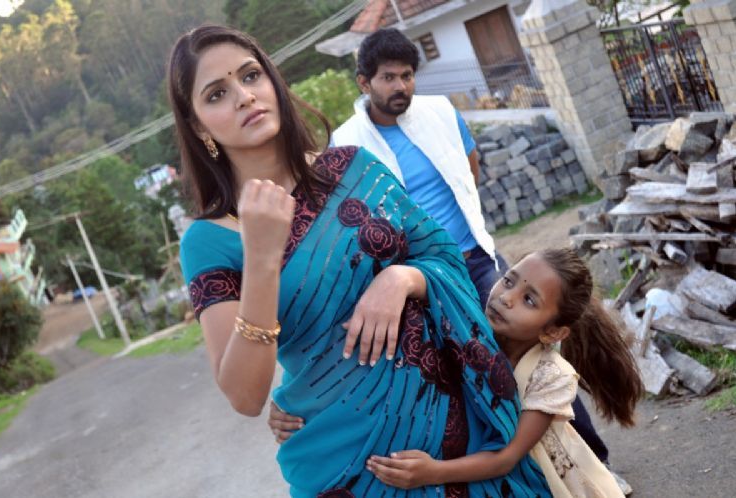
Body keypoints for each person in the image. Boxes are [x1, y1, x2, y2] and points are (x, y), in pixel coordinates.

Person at [170, 24, 550, 498]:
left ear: (272, 81)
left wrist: (403, 278)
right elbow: (245, 395)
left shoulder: (355, 168)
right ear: (199, 126)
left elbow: (442, 254)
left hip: (456, 439)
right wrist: (263, 259)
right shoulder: (209, 240)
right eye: (217, 94)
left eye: (250, 76)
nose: (244, 96)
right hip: (348, 466)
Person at [364, 248, 644, 497]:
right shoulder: (472, 331)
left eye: (529, 300)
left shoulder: (551, 377)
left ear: (553, 332)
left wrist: (432, 472)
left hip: (546, 480)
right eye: (508, 281)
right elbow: (439, 289)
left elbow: (506, 458)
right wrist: (399, 278)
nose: (506, 298)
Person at [331, 28, 506, 309]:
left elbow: (469, 172)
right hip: (422, 280)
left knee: (518, 327)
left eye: (407, 76)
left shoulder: (441, 112)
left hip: (477, 258)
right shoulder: (346, 143)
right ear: (364, 83)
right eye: (388, 77)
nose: (400, 86)